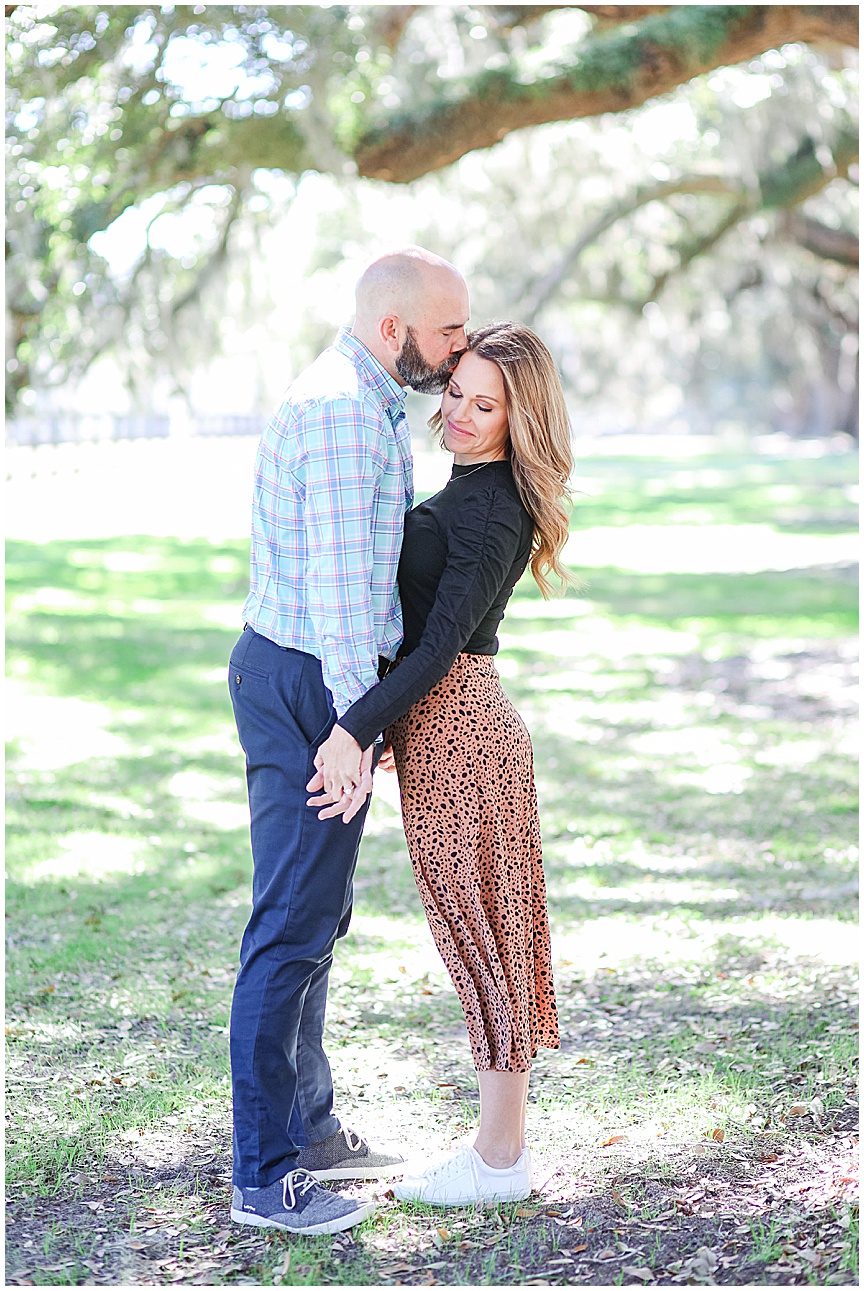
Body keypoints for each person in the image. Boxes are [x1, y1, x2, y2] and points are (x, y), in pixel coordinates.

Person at [227, 247, 470, 1234]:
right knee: (290, 925)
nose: (460, 350)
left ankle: (310, 1123)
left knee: (317, 917)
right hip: (308, 684)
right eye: (448, 331)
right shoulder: (339, 414)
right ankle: (265, 1173)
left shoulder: (365, 403)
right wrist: (349, 726)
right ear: (391, 330)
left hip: (314, 679)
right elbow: (337, 597)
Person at [308, 321, 575, 1206]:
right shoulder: (474, 484)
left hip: (464, 733)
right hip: (443, 730)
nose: (458, 414)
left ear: (519, 417)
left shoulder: (496, 505)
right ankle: (497, 1148)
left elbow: (437, 653)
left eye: (483, 404)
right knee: (480, 936)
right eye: (455, 392)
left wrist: (356, 726)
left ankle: (500, 1160)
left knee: (486, 937)